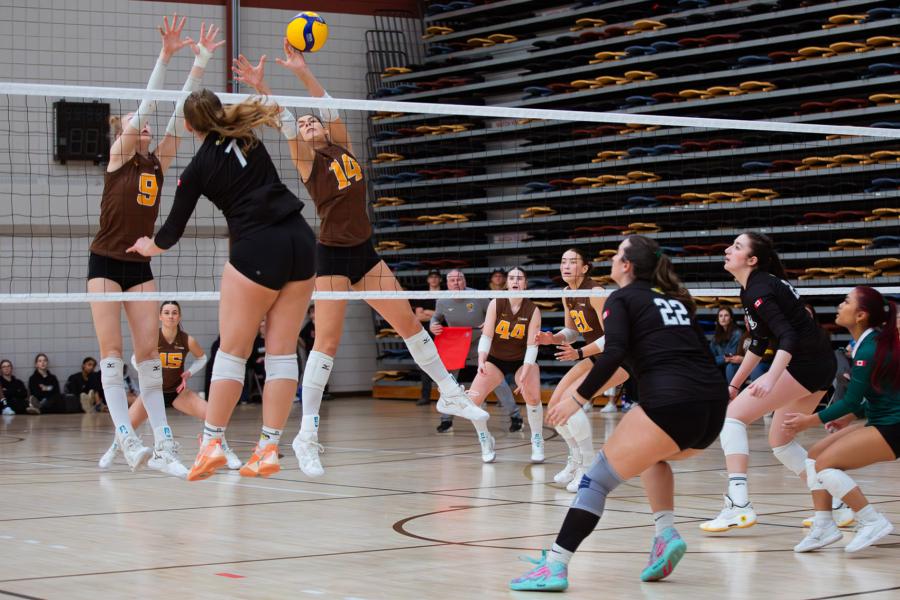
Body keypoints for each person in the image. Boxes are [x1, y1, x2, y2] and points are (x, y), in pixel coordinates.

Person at [231, 47, 486, 479]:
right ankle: (307, 434)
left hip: (365, 251)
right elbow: (287, 121)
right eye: (306, 124)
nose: (310, 125)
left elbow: (327, 105)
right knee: (326, 343)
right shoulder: (307, 159)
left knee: (408, 324)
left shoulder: (343, 146)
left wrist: (304, 71)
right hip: (330, 255)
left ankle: (448, 392)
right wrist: (263, 87)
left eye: (314, 122)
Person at [510, 235, 727, 590]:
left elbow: (613, 352)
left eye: (616, 254)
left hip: (671, 404)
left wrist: (577, 398)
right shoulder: (674, 300)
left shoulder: (620, 298)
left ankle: (555, 565)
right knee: (653, 459)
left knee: (595, 480)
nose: (610, 259)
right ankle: (665, 535)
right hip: (713, 408)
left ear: (626, 266)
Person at [127, 87, 317, 482]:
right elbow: (272, 110)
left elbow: (172, 230)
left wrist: (149, 247)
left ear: (190, 125)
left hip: (258, 245)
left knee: (232, 352)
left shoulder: (197, 168)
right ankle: (267, 448)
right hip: (301, 239)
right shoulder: (247, 134)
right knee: (281, 354)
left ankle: (211, 442)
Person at [87, 15, 222, 474]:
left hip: (138, 264)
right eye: (132, 123)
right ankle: (125, 438)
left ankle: (163, 444)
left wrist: (200, 60)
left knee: (146, 357)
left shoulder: (159, 160)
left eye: (141, 125)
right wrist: (164, 56)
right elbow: (147, 106)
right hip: (104, 263)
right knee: (109, 353)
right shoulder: (120, 156)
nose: (141, 125)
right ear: (124, 131)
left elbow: (181, 112)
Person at [700, 232, 837, 532]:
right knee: (781, 441)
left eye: (736, 247)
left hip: (805, 366)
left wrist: (770, 379)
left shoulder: (760, 288)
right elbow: (759, 342)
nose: (727, 250)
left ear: (752, 260)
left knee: (731, 420)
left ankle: (739, 505)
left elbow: (787, 336)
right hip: (820, 365)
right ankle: (835, 504)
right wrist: (734, 385)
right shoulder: (753, 289)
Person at [784, 286, 898, 552]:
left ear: (860, 315)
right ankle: (824, 526)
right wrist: (848, 418)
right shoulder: (870, 344)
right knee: (814, 456)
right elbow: (873, 397)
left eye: (846, 302)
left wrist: (806, 421)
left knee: (825, 465)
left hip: (893, 426)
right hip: (882, 419)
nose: (839, 306)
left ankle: (871, 521)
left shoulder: (869, 349)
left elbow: (851, 400)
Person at [97, 301, 241, 471]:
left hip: (177, 392)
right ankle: (113, 450)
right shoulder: (152, 337)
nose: (170, 316)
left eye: (174, 313)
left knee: (213, 415)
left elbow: (202, 358)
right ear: (160, 316)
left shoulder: (187, 339)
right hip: (153, 391)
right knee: (128, 423)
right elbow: (135, 359)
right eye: (166, 312)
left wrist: (189, 373)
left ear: (179, 316)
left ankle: (225, 451)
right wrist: (146, 375)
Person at [534, 248, 628, 493]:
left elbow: (613, 337)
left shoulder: (596, 293)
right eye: (563, 261)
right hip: (596, 355)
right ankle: (575, 461)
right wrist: (552, 339)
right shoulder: (567, 293)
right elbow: (572, 332)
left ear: (585, 268)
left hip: (621, 358)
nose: (566, 266)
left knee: (571, 403)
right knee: (555, 405)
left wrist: (578, 353)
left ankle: (588, 469)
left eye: (572, 262)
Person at [429, 270, 522, 433]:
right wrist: (433, 325)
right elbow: (436, 318)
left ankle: (516, 417)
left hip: (481, 343)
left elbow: (496, 314)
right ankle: (446, 421)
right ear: (447, 283)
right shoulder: (442, 301)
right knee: (448, 382)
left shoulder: (478, 296)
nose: (456, 283)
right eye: (452, 280)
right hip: (458, 345)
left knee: (496, 381)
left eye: (459, 279)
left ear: (465, 281)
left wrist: (488, 323)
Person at [468, 268, 544, 462]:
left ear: (525, 283)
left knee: (533, 396)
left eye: (519, 278)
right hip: (495, 359)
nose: (515, 281)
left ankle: (537, 439)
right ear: (507, 283)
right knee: (473, 402)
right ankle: (485, 439)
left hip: (522, 360)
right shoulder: (496, 303)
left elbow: (532, 346)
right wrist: (481, 359)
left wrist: (526, 373)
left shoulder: (533, 310)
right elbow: (487, 335)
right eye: (511, 278)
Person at [413, 270, 442, 406]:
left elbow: (446, 315)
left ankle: (448, 396)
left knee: (446, 365)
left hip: (442, 332)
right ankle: (425, 396)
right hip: (426, 333)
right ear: (428, 280)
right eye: (432, 277)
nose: (434, 279)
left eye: (436, 277)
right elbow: (418, 316)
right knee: (426, 363)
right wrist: (437, 314)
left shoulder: (445, 294)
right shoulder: (422, 295)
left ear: (440, 280)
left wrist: (428, 312)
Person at [709, 307, 742, 381]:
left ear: (731, 318)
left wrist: (721, 359)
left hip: (735, 365)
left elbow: (730, 355)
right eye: (720, 316)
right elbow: (710, 358)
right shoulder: (716, 337)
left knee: (729, 367)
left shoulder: (737, 333)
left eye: (726, 315)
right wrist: (723, 358)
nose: (723, 318)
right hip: (722, 365)